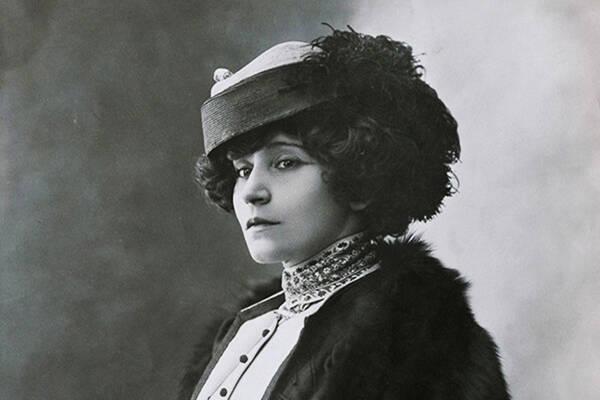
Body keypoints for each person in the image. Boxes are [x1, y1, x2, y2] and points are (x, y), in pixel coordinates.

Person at [179, 28, 510, 400]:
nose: (252, 191)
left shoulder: (416, 340)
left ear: (358, 176)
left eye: (285, 163)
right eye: (242, 170)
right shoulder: (245, 330)